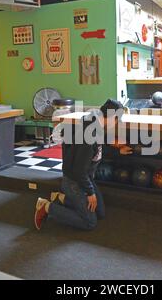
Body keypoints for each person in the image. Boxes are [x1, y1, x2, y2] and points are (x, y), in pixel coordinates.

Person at [34, 99, 132, 231]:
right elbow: (79, 171)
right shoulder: (89, 134)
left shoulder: (96, 125)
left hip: (85, 178)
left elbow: (97, 150)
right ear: (112, 117)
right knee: (90, 222)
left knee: (100, 213)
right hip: (74, 181)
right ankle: (45, 206)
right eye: (116, 120)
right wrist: (90, 192)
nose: (116, 124)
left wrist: (118, 150)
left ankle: (62, 199)